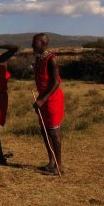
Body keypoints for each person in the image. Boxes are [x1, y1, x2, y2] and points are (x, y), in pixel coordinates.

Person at [32, 33, 64, 175]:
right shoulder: (38, 59)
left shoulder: (52, 60)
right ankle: (51, 162)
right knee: (44, 131)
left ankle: (59, 166)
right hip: (42, 99)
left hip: (52, 100)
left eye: (35, 42)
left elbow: (56, 82)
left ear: (43, 43)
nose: (32, 45)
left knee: (53, 132)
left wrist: (42, 99)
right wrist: (39, 99)